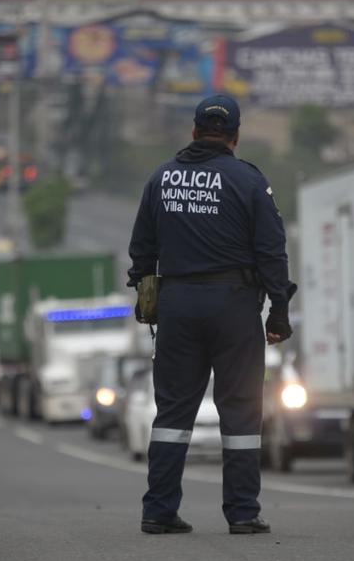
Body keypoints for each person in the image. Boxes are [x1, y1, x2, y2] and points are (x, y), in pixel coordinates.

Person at [127, 94, 296, 535]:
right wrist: (279, 310)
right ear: (235, 137)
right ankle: (242, 513)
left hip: (177, 306)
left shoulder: (161, 179)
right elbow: (271, 252)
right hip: (234, 306)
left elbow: (142, 249)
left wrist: (146, 294)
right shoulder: (248, 181)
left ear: (194, 131)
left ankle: (158, 511)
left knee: (173, 412)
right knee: (240, 412)